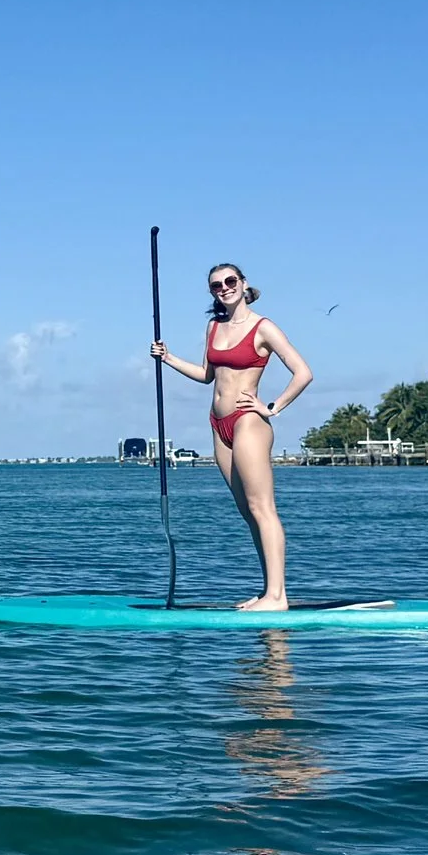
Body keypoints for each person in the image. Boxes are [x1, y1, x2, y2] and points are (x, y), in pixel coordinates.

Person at [151, 262, 313, 611]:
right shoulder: (214, 326)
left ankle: (278, 596)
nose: (224, 288)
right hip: (218, 424)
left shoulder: (263, 327)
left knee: (262, 507)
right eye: (216, 285)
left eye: (230, 281)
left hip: (247, 422)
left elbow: (303, 373)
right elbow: (207, 375)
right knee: (247, 511)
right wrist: (168, 358)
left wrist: (272, 407)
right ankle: (268, 590)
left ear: (243, 283)